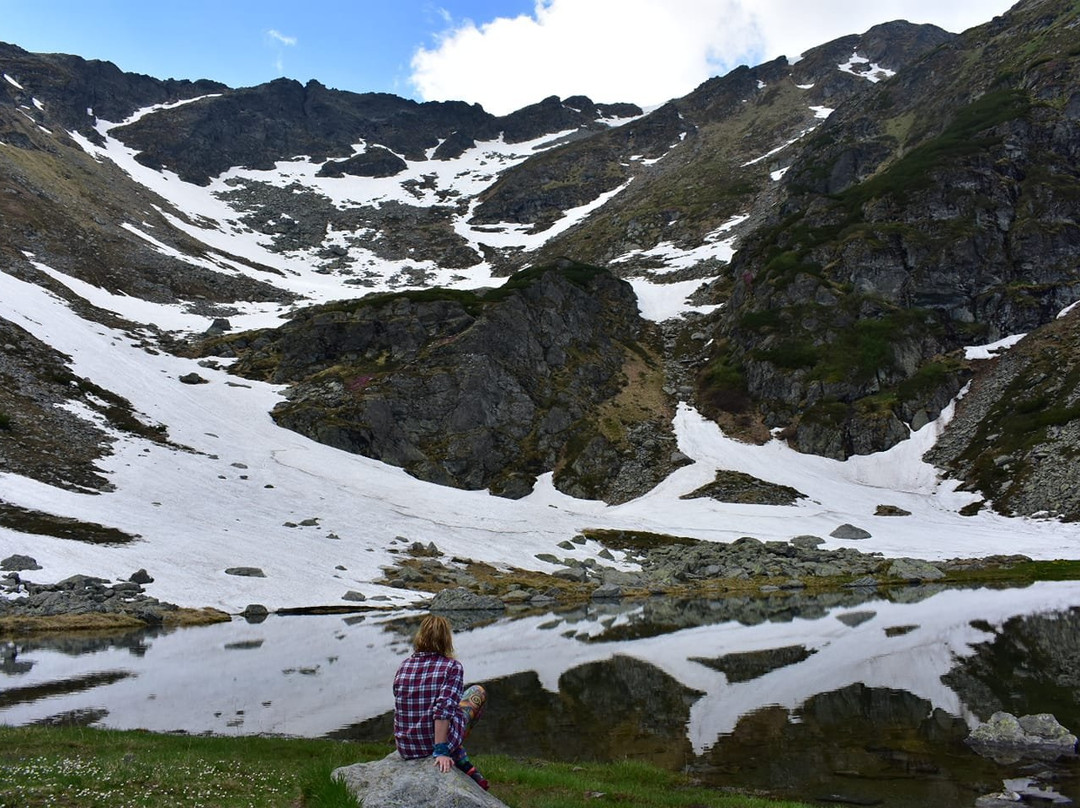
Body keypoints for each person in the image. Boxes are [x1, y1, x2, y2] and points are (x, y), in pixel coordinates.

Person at [393, 614, 489, 790]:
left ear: (420, 636)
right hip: (433, 744)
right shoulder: (452, 667)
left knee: (452, 703)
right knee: (477, 692)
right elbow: (443, 709)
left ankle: (464, 762)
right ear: (446, 639)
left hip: (406, 747)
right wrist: (441, 750)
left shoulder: (404, 665)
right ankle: (458, 755)